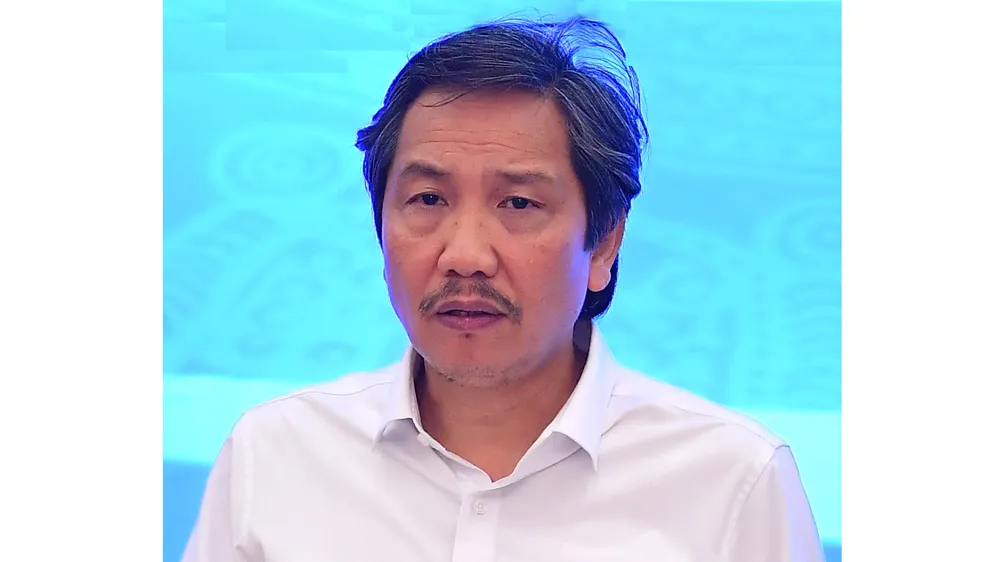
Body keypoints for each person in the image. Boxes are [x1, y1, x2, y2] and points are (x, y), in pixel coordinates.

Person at [181, 17, 825, 562]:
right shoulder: (275, 454)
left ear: (604, 243)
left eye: (518, 203)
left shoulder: (733, 479)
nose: (465, 255)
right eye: (427, 199)